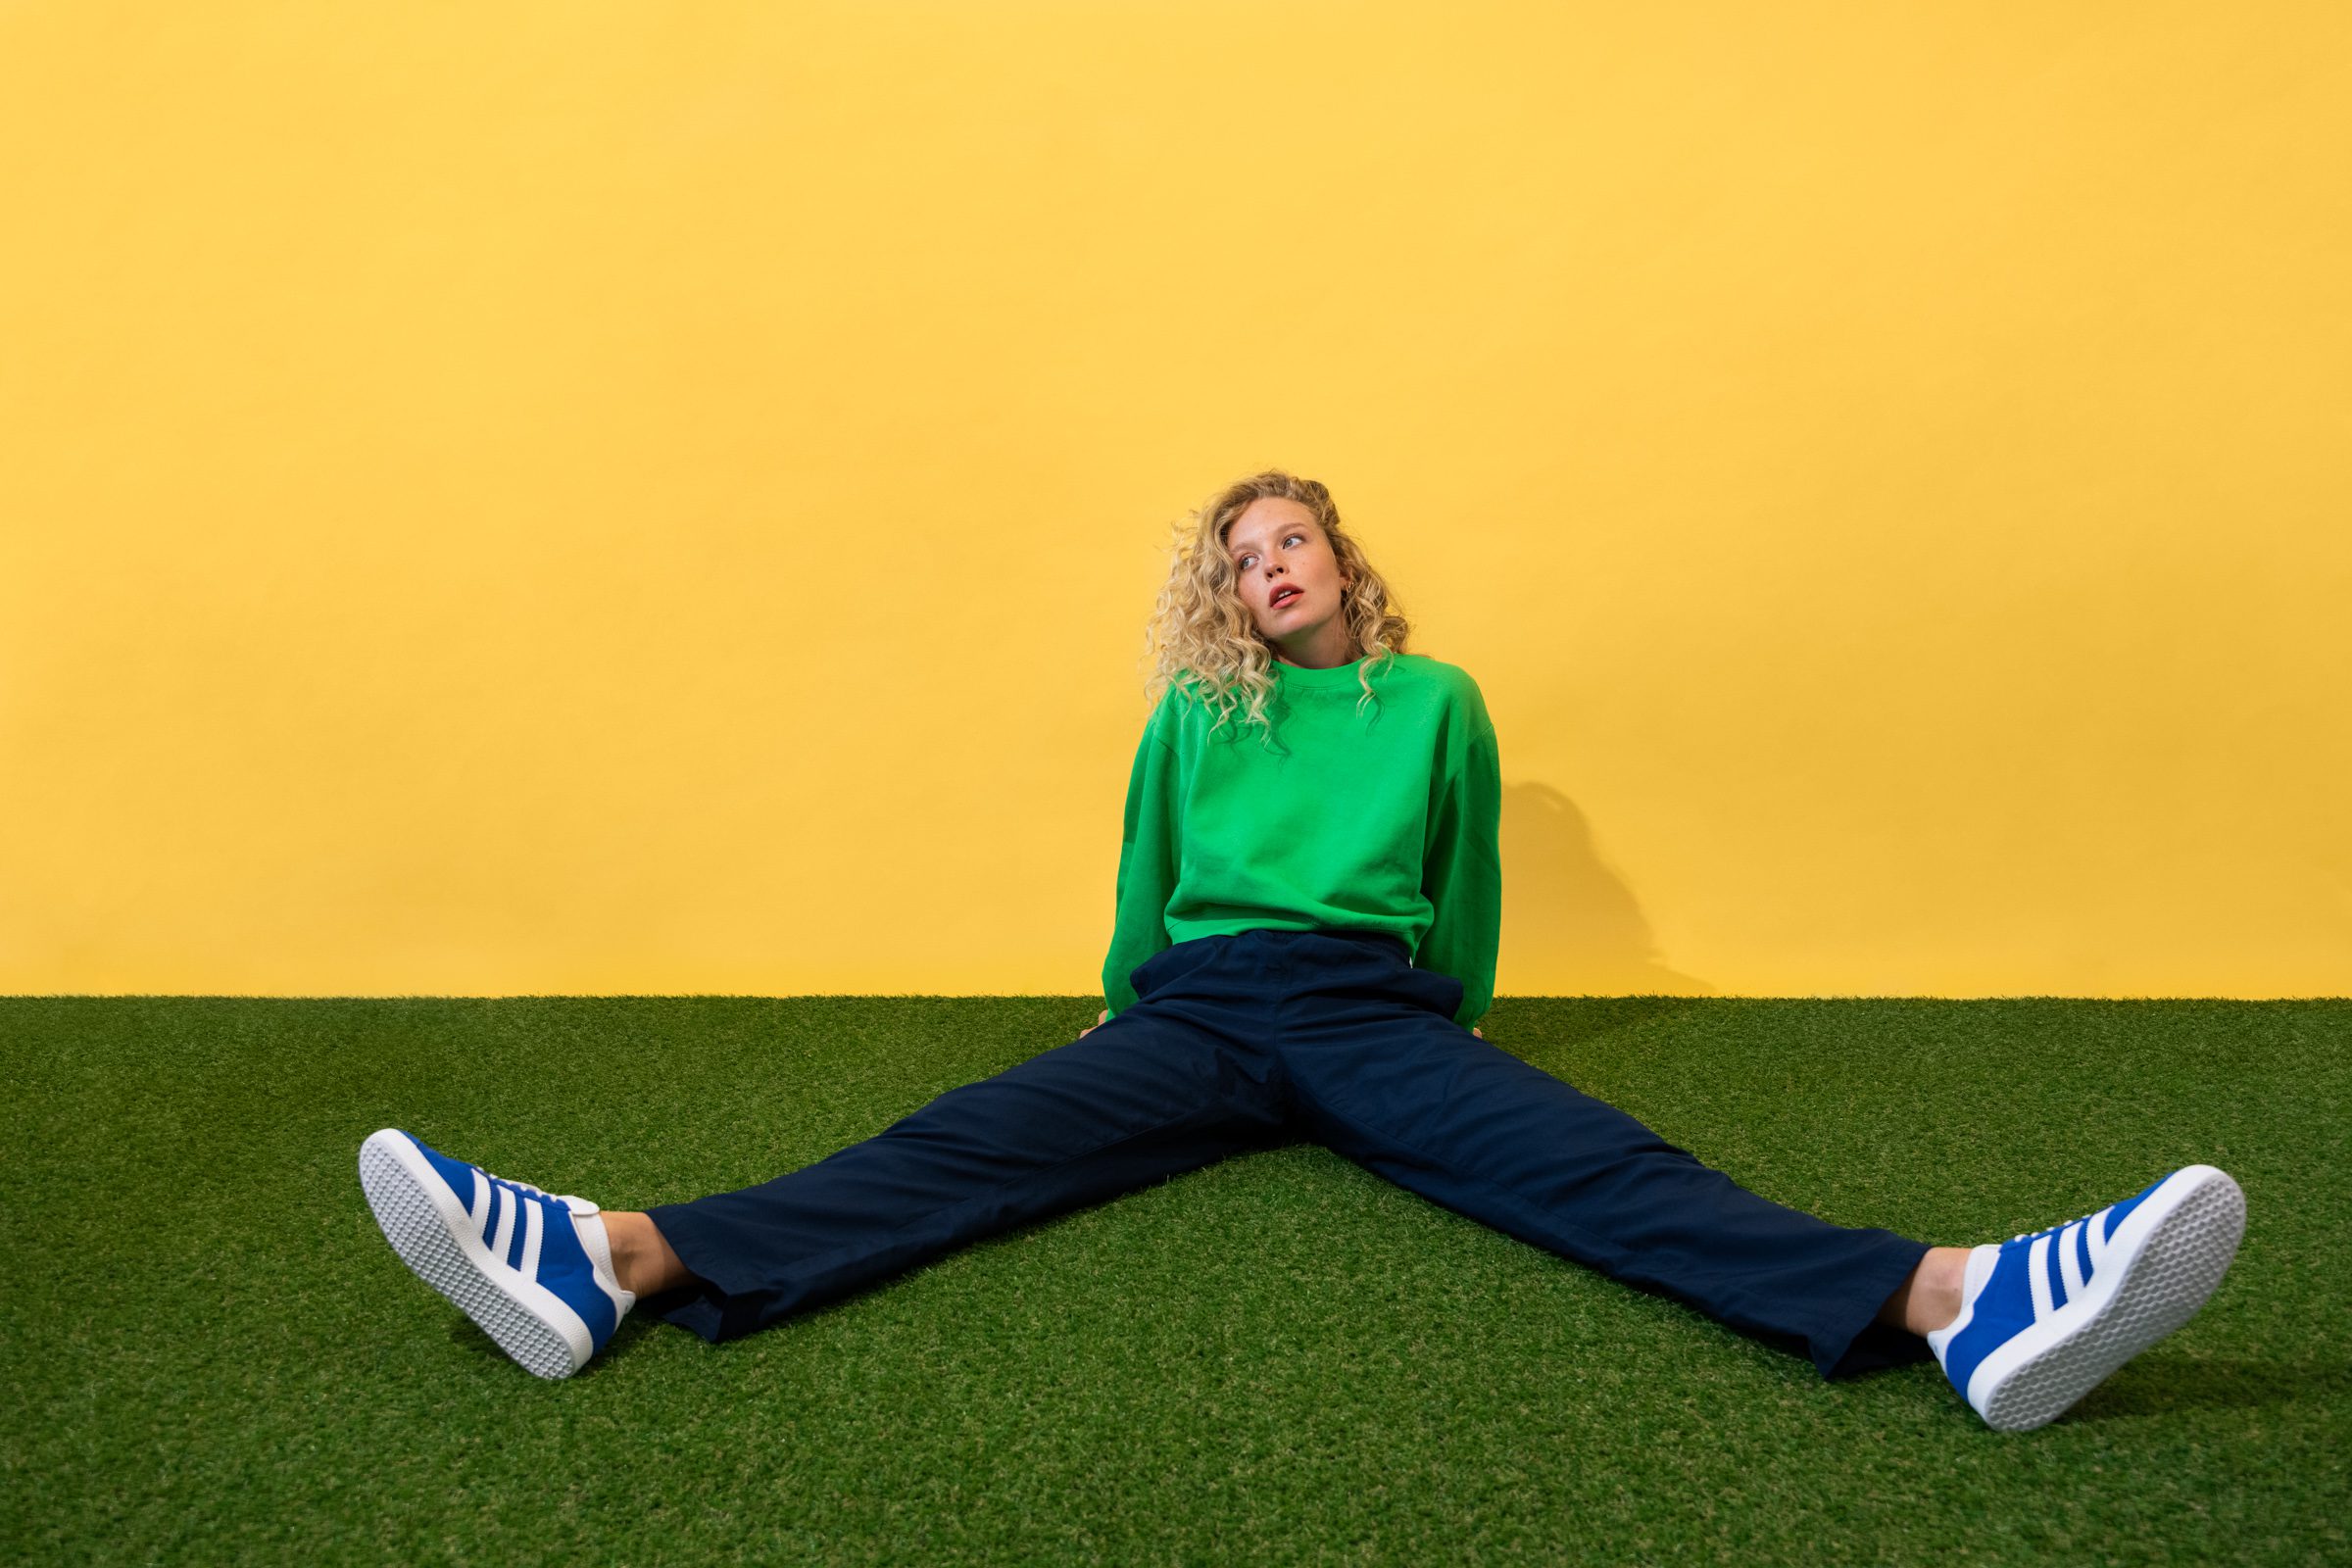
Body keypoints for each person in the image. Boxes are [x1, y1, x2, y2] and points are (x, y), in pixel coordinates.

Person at [358, 469, 2246, 1433]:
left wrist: (1453, 1029)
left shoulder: (1437, 701)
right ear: (1225, 592)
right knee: (957, 1146)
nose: (1266, 568)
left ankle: (1957, 1302)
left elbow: (1465, 884)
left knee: (1603, 1168)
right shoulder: (1199, 714)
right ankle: (617, 1258)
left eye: (1288, 542)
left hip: (1371, 1012)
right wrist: (1120, 1014)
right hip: (1193, 1011)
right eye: (1238, 556)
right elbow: (1145, 881)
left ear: (1340, 558)